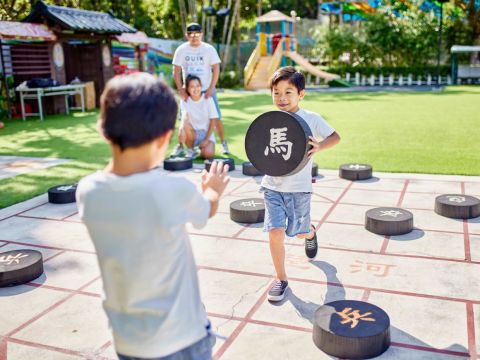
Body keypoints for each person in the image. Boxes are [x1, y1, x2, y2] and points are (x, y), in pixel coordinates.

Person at [76, 73, 230, 360]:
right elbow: (205, 210)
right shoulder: (171, 189)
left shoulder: (87, 191)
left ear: (104, 130)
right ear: (164, 137)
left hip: (127, 341)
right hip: (183, 338)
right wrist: (213, 190)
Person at [262, 66, 341, 302]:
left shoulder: (311, 118)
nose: (282, 98)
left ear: (301, 94)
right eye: (276, 92)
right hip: (272, 186)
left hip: (299, 189)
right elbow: (262, 148)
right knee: (275, 232)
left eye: (288, 92)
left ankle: (310, 232)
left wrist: (319, 146)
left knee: (297, 232)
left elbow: (335, 137)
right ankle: (281, 279)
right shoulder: (271, 121)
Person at [172, 22, 230, 155]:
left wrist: (211, 87)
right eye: (191, 34)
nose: (194, 36)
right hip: (189, 91)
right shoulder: (181, 50)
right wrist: (181, 89)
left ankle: (223, 142)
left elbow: (216, 68)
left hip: (207, 90)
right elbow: (176, 71)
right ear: (186, 35)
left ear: (201, 34)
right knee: (184, 119)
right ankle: (182, 145)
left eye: (197, 33)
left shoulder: (209, 49)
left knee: (216, 117)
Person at [171, 74, 217, 159]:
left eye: (198, 86)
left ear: (201, 86)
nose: (195, 89)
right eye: (192, 86)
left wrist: (206, 140)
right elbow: (185, 116)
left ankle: (199, 150)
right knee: (184, 125)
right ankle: (190, 149)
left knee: (207, 154)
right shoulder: (185, 101)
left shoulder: (208, 99)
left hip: (206, 133)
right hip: (192, 134)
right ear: (187, 89)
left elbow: (213, 121)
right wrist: (181, 128)